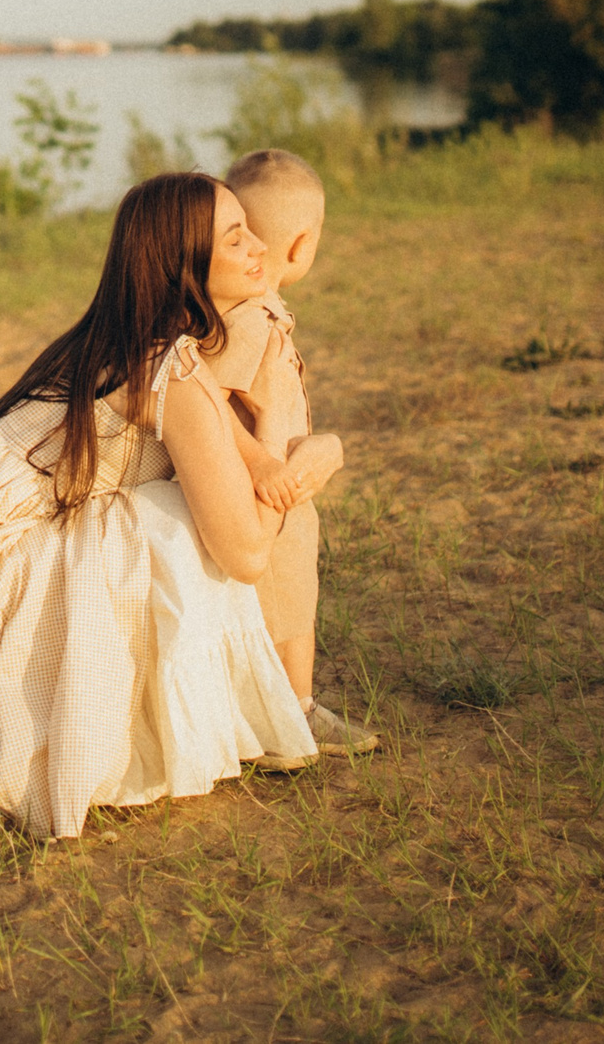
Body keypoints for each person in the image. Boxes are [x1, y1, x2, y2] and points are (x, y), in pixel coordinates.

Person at [0, 172, 347, 839]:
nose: (260, 251)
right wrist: (301, 453)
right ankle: (104, 734)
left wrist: (282, 457)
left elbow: (230, 440)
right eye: (235, 237)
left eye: (253, 230)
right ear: (184, 264)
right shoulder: (174, 369)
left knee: (155, 503)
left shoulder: (127, 331)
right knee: (175, 519)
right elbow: (245, 551)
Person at [213, 148, 379, 756]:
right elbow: (202, 394)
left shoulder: (255, 312)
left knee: (295, 596)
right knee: (286, 600)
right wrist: (262, 462)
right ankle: (293, 717)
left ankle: (287, 709)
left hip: (280, 488)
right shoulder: (248, 320)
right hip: (265, 492)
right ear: (302, 245)